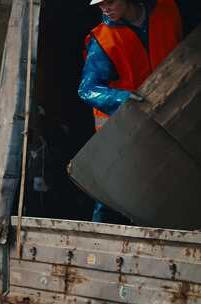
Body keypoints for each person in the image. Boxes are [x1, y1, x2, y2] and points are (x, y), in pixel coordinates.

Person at [78, 0, 182, 223]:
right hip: (124, 129)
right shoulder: (103, 39)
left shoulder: (168, 10)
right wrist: (122, 98)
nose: (105, 8)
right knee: (111, 194)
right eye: (100, 5)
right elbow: (87, 90)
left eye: (110, 2)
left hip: (171, 117)